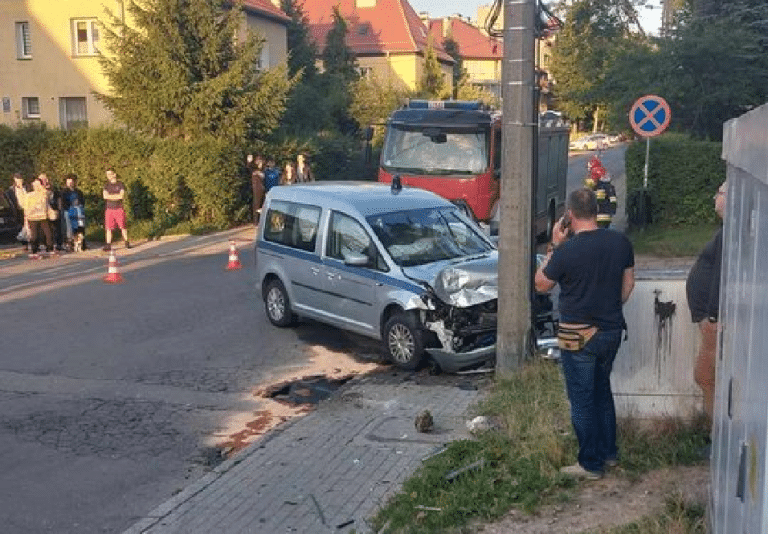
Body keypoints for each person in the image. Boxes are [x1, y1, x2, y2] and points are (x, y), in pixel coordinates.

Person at [535, 188, 635, 480]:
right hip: (611, 332)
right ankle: (609, 453)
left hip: (578, 337)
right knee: (602, 391)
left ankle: (590, 463)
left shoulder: (566, 251)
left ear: (569, 215)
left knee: (581, 399)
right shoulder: (620, 242)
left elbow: (541, 284)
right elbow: (629, 284)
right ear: (596, 210)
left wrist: (554, 245)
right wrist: (610, 307)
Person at [686, 181, 726, 425]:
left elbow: (722, 276)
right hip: (710, 319)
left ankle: (716, 434)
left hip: (713, 321)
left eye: (719, 193)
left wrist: (712, 315)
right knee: (708, 378)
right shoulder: (725, 231)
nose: (714, 198)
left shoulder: (727, 234)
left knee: (705, 377)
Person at [21, 175, 54, 258]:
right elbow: (26, 207)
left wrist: (45, 185)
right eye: (36, 185)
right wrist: (26, 220)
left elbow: (50, 194)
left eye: (39, 184)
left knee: (48, 233)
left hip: (43, 216)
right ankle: (34, 251)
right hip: (32, 217)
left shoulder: (44, 193)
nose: (37, 186)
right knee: (34, 235)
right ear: (33, 185)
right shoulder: (29, 195)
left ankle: (50, 249)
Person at [103, 168, 130, 251]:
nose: (108, 176)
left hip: (119, 208)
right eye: (107, 175)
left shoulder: (120, 184)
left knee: (123, 226)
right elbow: (105, 196)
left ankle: (126, 242)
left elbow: (121, 196)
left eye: (110, 174)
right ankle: (108, 244)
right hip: (109, 209)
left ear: (114, 174)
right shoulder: (106, 185)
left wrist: (110, 197)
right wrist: (116, 196)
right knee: (108, 227)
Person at [61, 174, 86, 251]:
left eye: (72, 182)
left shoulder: (79, 192)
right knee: (69, 228)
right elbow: (63, 202)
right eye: (68, 182)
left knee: (80, 227)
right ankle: (69, 243)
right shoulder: (64, 192)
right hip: (68, 211)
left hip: (78, 211)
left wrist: (79, 204)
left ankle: (81, 243)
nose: (70, 184)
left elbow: (83, 201)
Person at [5, 173, 29, 249]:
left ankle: (29, 242)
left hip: (27, 209)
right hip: (18, 210)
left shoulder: (26, 188)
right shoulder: (11, 191)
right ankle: (24, 244)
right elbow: (10, 200)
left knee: (28, 227)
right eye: (17, 181)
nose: (19, 182)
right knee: (21, 226)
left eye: (20, 180)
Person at [247, 154, 266, 225]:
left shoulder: (263, 170)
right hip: (255, 190)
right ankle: (255, 221)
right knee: (256, 205)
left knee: (262, 205)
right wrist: (249, 161)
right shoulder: (253, 170)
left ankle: (261, 220)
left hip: (262, 189)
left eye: (261, 162)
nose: (260, 163)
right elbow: (248, 168)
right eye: (258, 162)